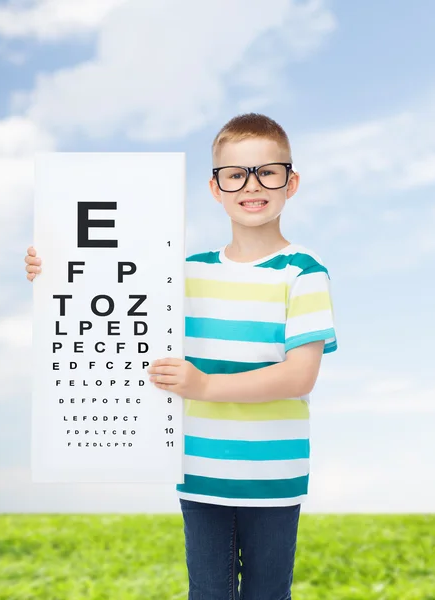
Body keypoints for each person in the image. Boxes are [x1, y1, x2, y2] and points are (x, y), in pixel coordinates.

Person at [24, 112, 338, 599]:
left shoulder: (303, 273)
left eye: (267, 172)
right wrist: (51, 267)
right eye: (235, 175)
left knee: (268, 594)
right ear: (215, 188)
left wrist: (207, 386)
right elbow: (102, 279)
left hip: (273, 475)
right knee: (207, 594)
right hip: (199, 473)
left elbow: (300, 376)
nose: (251, 186)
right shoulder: (183, 272)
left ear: (290, 182)